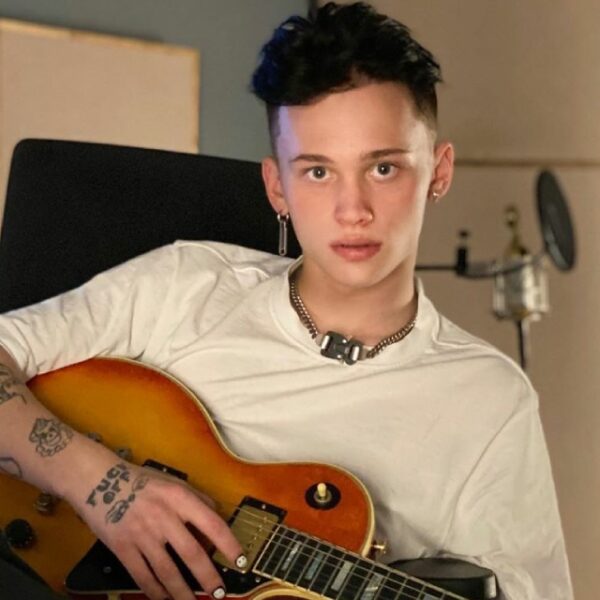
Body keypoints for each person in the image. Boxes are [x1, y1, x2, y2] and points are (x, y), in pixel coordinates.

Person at [0, 3, 572, 600]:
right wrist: (105, 487)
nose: (353, 211)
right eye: (318, 173)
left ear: (439, 171)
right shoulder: (187, 284)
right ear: (278, 187)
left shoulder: (489, 401)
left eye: (383, 168)